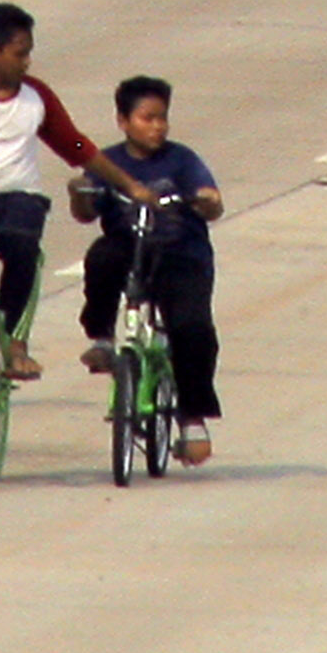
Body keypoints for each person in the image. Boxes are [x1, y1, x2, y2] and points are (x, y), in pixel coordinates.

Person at [0, 2, 158, 462]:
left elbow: (75, 145)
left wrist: (128, 183)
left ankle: (16, 343)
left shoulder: (35, 96)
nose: (27, 62)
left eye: (28, 53)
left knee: (21, 246)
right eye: (19, 53)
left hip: (19, 198)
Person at [71, 75, 225, 466]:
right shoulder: (109, 162)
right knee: (102, 258)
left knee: (192, 329)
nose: (157, 126)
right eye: (147, 118)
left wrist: (205, 201)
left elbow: (212, 200)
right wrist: (82, 195)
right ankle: (103, 338)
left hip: (180, 253)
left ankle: (192, 419)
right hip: (130, 246)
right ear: (123, 121)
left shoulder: (181, 160)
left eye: (162, 118)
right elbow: (85, 214)